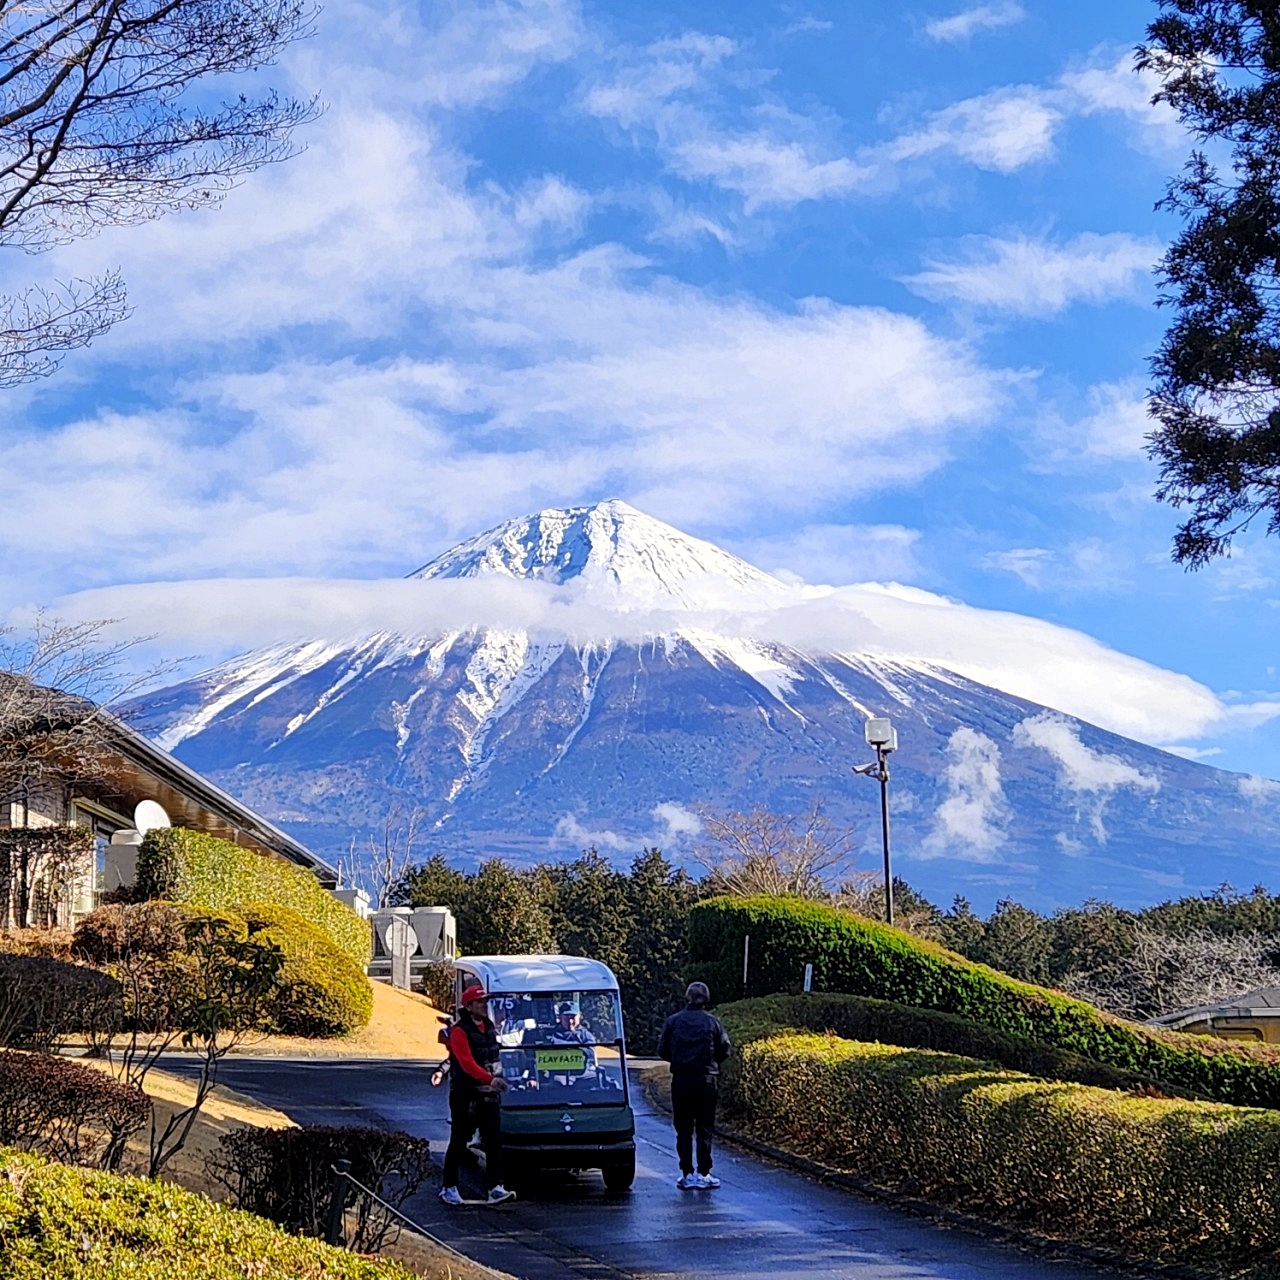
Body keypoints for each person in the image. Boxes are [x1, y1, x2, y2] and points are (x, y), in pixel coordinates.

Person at [439, 985, 516, 1206]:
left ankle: (495, 1187)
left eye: (485, 1001)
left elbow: (495, 1057)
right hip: (465, 1095)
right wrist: (490, 1079)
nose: (484, 1005)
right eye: (480, 1002)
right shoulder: (460, 1031)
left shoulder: (489, 1028)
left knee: (494, 1141)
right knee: (458, 1140)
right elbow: (466, 1063)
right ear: (469, 1006)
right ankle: (449, 1188)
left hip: (489, 1095)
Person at [657, 981, 731, 1190]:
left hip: (681, 1079)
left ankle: (686, 1173)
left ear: (687, 998)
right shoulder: (712, 1022)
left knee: (683, 1129)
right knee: (705, 1128)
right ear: (706, 999)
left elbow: (662, 1050)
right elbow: (725, 1049)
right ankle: (704, 1173)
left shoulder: (673, 1022)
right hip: (706, 1078)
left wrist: (678, 1060)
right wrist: (712, 1061)